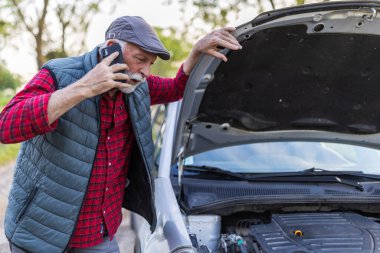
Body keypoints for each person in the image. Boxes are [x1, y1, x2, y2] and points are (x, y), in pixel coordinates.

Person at [0, 16, 241, 253]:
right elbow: (6, 126)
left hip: (97, 233)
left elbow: (176, 88)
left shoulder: (136, 85)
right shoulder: (58, 73)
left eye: (151, 63)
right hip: (41, 232)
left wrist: (196, 53)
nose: (145, 71)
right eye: (140, 59)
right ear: (109, 49)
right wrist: (85, 88)